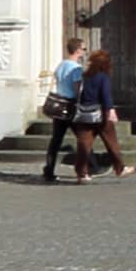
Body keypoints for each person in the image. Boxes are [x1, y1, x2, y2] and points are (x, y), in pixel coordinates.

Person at [68, 48, 127, 180]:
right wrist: (111, 110)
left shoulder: (85, 76)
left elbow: (80, 93)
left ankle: (81, 173)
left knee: (84, 145)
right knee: (111, 143)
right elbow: (106, 95)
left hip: (84, 114)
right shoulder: (103, 77)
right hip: (100, 114)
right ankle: (120, 168)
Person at [36, 39, 89, 184]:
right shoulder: (76, 68)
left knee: (56, 140)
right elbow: (77, 88)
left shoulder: (61, 65)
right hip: (71, 105)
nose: (85, 52)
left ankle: (49, 170)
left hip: (59, 105)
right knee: (84, 137)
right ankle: (91, 167)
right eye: (84, 49)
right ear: (77, 50)